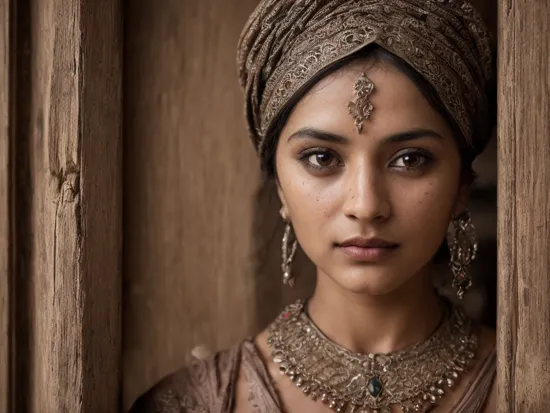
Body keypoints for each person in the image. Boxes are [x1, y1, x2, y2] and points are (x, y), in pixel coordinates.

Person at [129, 0, 496, 412]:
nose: (366, 205)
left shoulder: (526, 383)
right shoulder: (193, 404)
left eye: (410, 159)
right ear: (281, 187)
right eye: (322, 158)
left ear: (462, 184)